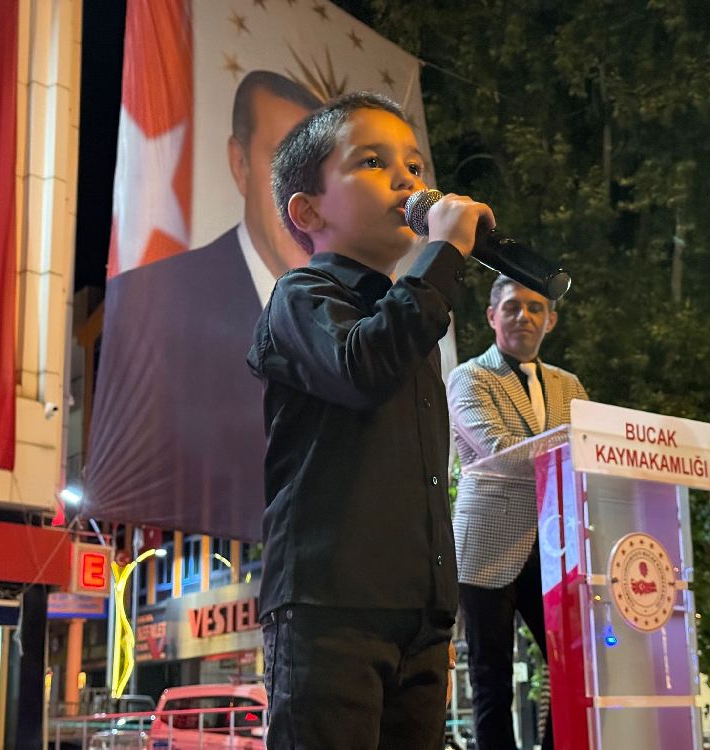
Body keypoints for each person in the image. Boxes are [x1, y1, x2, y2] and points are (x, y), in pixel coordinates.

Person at [247, 91, 494, 749]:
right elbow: (361, 370)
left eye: (413, 165)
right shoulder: (300, 297)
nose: (409, 181)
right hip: (332, 611)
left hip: (419, 616)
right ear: (308, 211)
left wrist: (442, 605)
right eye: (374, 162)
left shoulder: (407, 315)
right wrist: (443, 260)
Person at [86, 72, 321, 539]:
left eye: (316, 174)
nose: (302, 200)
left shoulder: (349, 316)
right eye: (283, 166)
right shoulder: (153, 301)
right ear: (239, 164)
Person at [448, 275, 588, 750]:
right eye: (511, 307)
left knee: (573, 664)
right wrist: (573, 445)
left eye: (534, 307)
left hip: (553, 545)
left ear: (550, 319)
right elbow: (498, 451)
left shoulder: (570, 385)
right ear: (492, 316)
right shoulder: (468, 377)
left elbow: (589, 458)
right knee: (492, 678)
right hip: (485, 543)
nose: (522, 316)